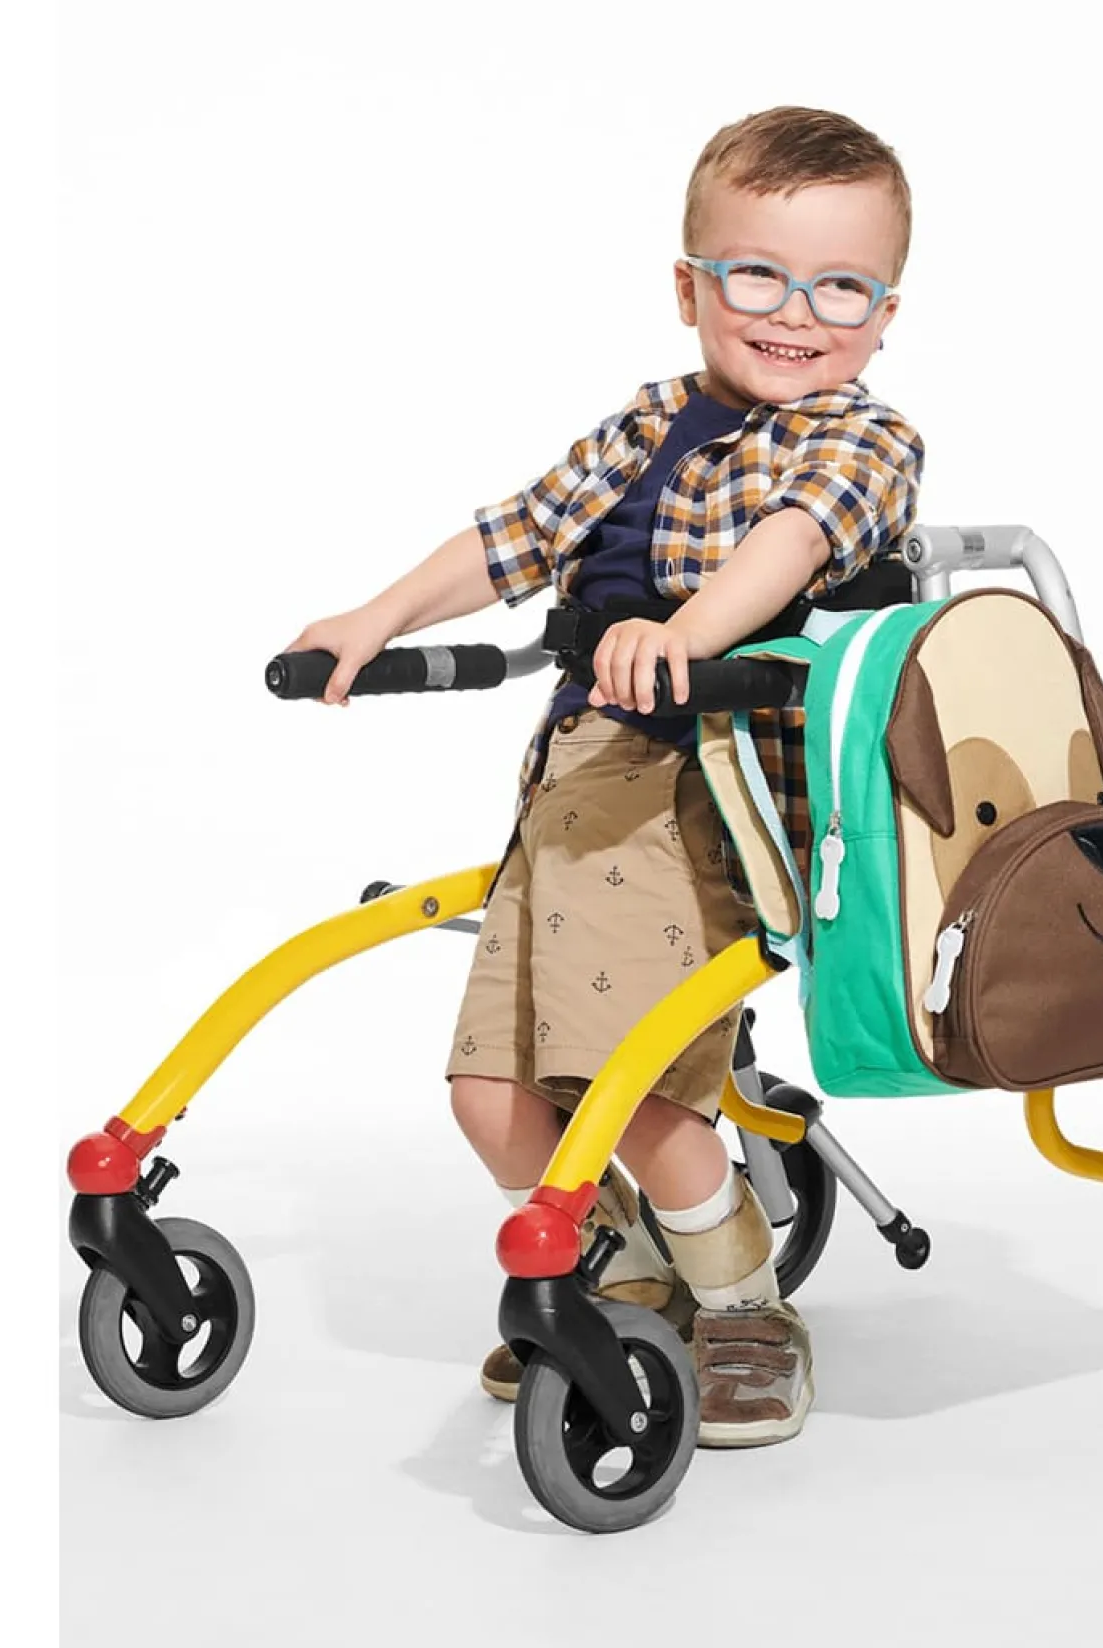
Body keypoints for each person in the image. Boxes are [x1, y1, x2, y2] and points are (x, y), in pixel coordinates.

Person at [283, 105, 924, 1447]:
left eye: (840, 288)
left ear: (884, 314)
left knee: (633, 1088)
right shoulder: (647, 423)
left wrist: (685, 632)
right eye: (757, 275)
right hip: (574, 789)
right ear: (690, 286)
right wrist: (375, 619)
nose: (795, 314)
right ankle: (627, 1279)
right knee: (491, 1095)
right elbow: (516, 536)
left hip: (714, 795)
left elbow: (795, 542)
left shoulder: (863, 442)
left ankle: (745, 1306)